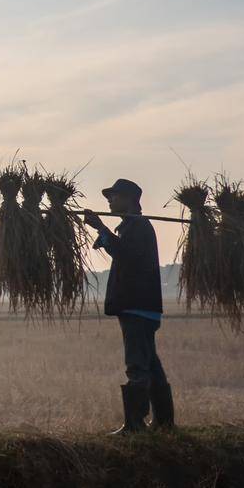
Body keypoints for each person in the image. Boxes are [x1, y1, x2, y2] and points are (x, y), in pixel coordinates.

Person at [82, 179, 174, 434]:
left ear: (130, 200)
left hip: (136, 306)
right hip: (142, 306)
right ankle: (164, 422)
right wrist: (103, 232)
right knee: (150, 364)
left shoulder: (138, 227)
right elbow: (123, 251)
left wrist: (100, 228)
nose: (109, 201)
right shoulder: (132, 227)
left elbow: (127, 256)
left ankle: (135, 424)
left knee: (137, 365)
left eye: (114, 196)